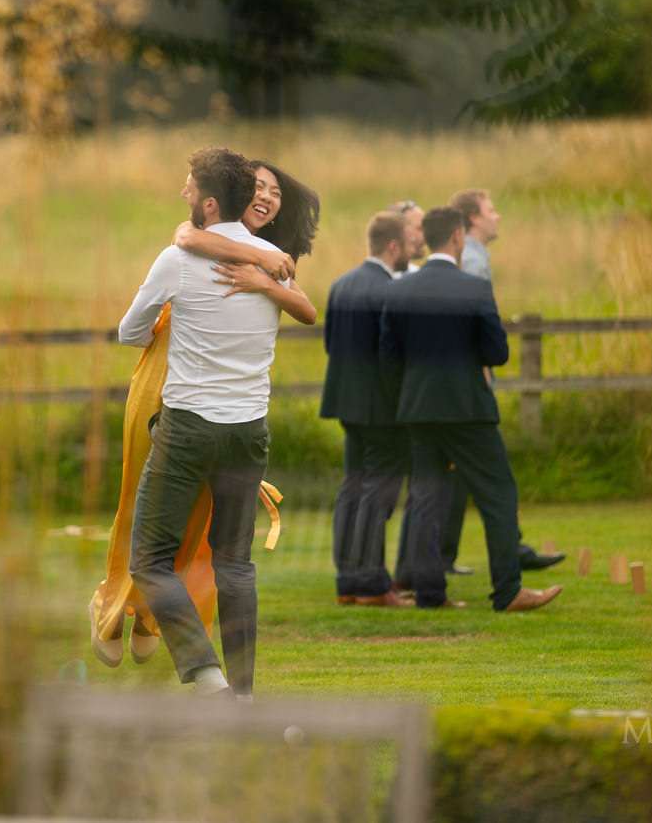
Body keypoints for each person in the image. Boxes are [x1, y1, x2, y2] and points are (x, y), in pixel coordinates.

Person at [91, 158, 319, 667]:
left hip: (211, 409)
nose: (266, 196)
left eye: (276, 191)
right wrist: (252, 258)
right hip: (176, 391)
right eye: (258, 186)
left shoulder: (271, 260)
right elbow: (189, 238)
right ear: (240, 195)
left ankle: (166, 629)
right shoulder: (203, 244)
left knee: (196, 537)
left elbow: (307, 310)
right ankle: (114, 608)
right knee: (143, 510)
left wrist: (263, 278)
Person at [378, 206, 561, 613]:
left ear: (427, 237)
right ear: (458, 236)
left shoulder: (398, 289)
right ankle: (508, 591)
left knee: (424, 498)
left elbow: (388, 359)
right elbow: (497, 352)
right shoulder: (473, 288)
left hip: (419, 410)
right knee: (498, 493)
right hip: (468, 409)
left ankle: (428, 593)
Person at [447, 187, 563, 574]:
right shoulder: (474, 263)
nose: (498, 216)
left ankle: (443, 557)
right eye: (491, 210)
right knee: (491, 475)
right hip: (473, 380)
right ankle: (512, 555)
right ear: (474, 219)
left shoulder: (473, 258)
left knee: (456, 475)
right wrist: (483, 377)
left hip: (459, 381)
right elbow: (474, 329)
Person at [321, 211, 413, 607]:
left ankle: (348, 581)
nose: (412, 251)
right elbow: (395, 356)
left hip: (346, 403)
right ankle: (372, 584)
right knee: (379, 492)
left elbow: (330, 344)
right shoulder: (392, 290)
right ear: (393, 246)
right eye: (409, 244)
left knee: (352, 489)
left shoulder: (341, 286)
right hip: (384, 409)